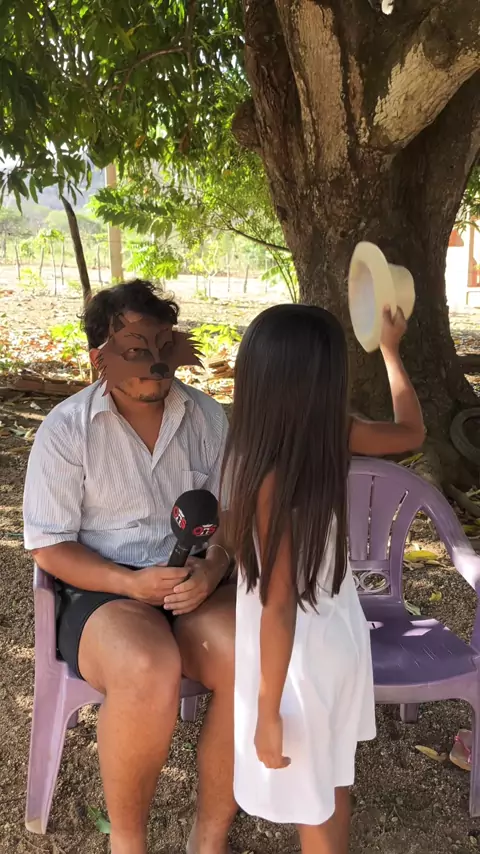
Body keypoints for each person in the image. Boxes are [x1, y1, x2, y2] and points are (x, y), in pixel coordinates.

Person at [23, 280, 237, 854]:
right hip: (103, 588)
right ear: (100, 359)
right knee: (146, 666)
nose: (156, 363)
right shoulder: (67, 430)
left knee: (251, 654)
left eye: (164, 346)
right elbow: (49, 547)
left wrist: (213, 568)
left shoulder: (207, 417)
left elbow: (233, 519)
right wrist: (128, 583)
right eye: (136, 349)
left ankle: (209, 838)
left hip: (194, 583)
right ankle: (128, 843)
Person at [223, 304, 424, 854]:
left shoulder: (262, 470)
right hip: (339, 636)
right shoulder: (336, 433)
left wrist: (267, 710)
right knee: (332, 784)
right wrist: (390, 351)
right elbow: (412, 431)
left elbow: (278, 604)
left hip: (297, 661)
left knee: (310, 803)